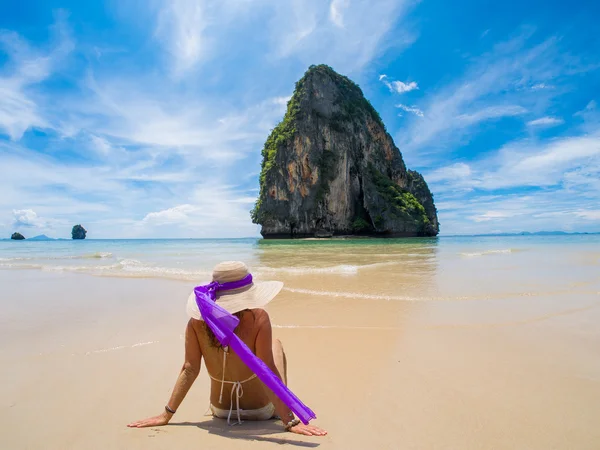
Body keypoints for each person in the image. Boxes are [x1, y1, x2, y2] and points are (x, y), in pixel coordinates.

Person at [127, 261, 327, 437]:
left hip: (220, 410)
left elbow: (190, 369)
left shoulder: (196, 323)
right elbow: (266, 370)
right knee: (276, 345)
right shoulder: (258, 318)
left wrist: (166, 414)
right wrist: (290, 421)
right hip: (262, 410)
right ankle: (280, 408)